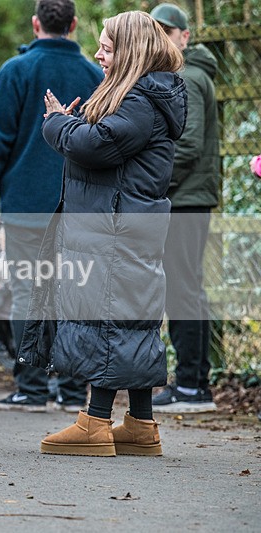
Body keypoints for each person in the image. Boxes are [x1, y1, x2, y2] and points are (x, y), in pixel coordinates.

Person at [19, 11, 186, 456]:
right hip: (122, 224)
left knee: (108, 318)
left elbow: (95, 146)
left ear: (130, 52)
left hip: (115, 227)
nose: (98, 55)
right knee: (130, 319)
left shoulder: (139, 101)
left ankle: (94, 423)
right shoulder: (146, 96)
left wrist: (57, 123)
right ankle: (141, 425)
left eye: (107, 48)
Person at [0, 0, 101, 412]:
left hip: (25, 205)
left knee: (27, 291)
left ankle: (32, 387)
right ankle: (73, 392)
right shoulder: (94, 74)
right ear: (73, 25)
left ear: (35, 23)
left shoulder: (15, 71)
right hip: (80, 204)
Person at [149, 3, 220, 414]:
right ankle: (194, 383)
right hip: (189, 197)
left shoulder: (188, 78)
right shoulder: (186, 74)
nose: (161, 37)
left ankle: (192, 385)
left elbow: (187, 146)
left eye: (167, 31)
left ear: (184, 36)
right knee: (186, 287)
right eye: (155, 31)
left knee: (183, 289)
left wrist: (152, 183)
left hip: (186, 199)